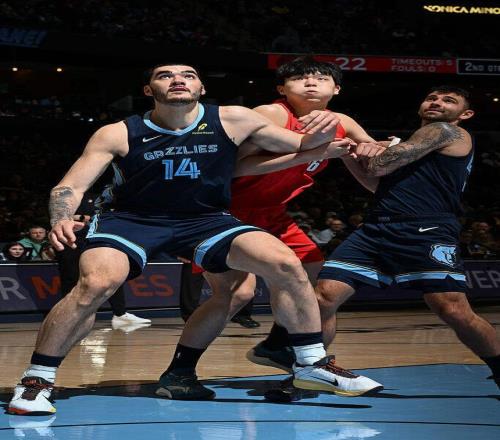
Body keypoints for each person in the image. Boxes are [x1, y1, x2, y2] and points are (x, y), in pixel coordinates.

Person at [8, 61, 360, 415]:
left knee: (284, 262)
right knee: (96, 284)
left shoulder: (234, 118)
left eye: (188, 75)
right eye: (165, 75)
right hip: (130, 219)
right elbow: (69, 186)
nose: (178, 79)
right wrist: (61, 217)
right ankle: (36, 380)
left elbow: (302, 142)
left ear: (201, 89)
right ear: (148, 91)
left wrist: (324, 126)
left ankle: (310, 362)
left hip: (204, 219)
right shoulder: (117, 132)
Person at [158, 56, 384, 400]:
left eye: (321, 78)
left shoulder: (342, 121)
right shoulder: (272, 114)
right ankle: (179, 372)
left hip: (273, 213)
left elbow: (374, 157)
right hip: (224, 209)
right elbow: (231, 167)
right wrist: (314, 152)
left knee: (318, 280)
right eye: (300, 78)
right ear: (282, 88)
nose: (311, 82)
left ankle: (279, 346)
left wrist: (380, 147)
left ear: (336, 89)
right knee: (236, 294)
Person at [251, 85, 500, 398]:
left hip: (426, 229)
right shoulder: (418, 143)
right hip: (377, 228)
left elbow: (380, 164)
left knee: (453, 310)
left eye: (448, 100)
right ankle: (309, 372)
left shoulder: (446, 131)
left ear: (465, 114)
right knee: (323, 298)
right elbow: (375, 183)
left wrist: (374, 147)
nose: (437, 102)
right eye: (432, 97)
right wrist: (348, 154)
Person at [55, 192, 151, 328]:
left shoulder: (104, 193)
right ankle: (69, 318)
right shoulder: (71, 194)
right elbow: (62, 215)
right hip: (71, 236)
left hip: (97, 234)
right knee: (71, 276)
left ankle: (120, 314)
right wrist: (83, 217)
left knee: (111, 273)